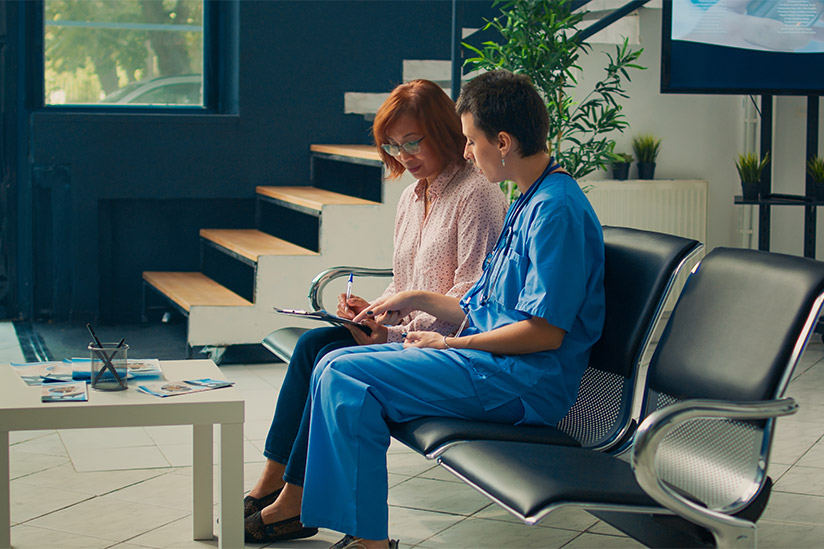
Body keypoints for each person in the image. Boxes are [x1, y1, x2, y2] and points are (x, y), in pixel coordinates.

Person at [299, 70, 606, 549]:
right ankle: (361, 534)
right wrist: (411, 298)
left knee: (345, 377)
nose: (465, 152)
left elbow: (544, 334)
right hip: (488, 366)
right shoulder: (530, 198)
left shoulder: (556, 211)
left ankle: (367, 541)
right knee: (331, 363)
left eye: (470, 141)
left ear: (501, 142)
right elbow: (486, 305)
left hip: (521, 383)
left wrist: (449, 342)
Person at [243, 79, 509, 543]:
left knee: (331, 362)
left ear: (445, 131)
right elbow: (405, 282)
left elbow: (472, 303)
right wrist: (375, 312)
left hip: (444, 346)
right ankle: (274, 481)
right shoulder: (412, 196)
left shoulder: (477, 195)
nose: (403, 155)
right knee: (312, 345)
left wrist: (392, 331)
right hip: (407, 334)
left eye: (412, 142)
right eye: (392, 145)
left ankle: (292, 501)